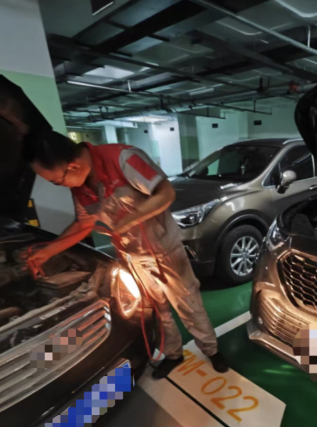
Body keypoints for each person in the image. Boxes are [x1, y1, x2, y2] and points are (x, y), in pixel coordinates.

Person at [22, 130, 228, 378]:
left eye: (57, 181)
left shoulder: (122, 159)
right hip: (133, 256)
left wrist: (128, 221)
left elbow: (166, 193)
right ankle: (173, 354)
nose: (60, 186)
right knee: (158, 310)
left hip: (164, 249)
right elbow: (84, 224)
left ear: (73, 166)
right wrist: (47, 252)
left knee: (188, 304)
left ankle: (212, 350)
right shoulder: (80, 186)